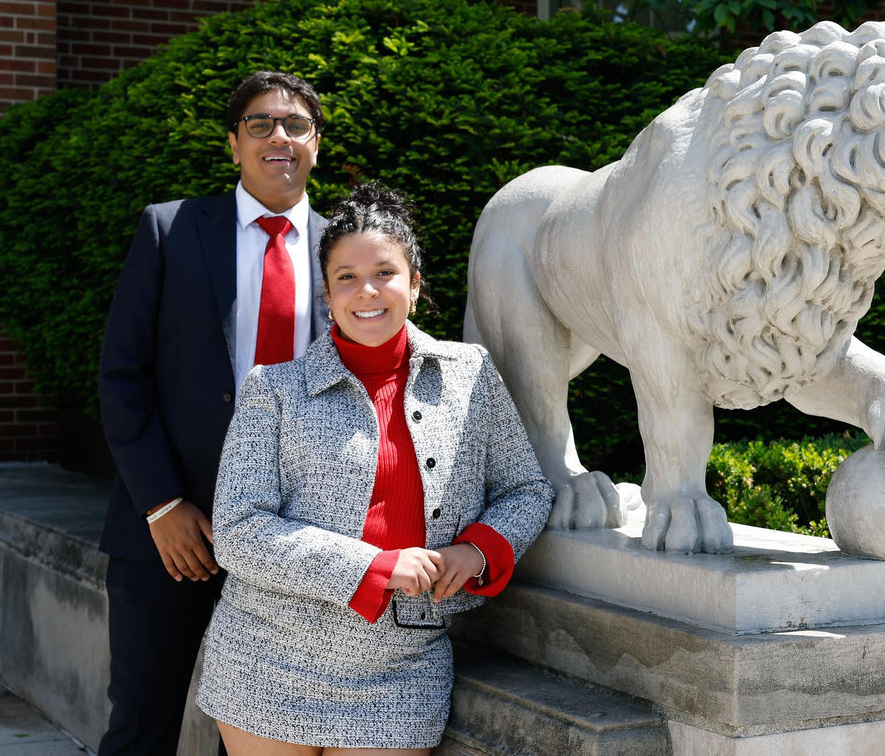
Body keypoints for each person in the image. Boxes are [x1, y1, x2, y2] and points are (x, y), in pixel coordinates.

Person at [195, 183, 555, 755]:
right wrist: (375, 564)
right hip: (265, 657)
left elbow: (526, 489)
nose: (367, 291)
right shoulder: (274, 389)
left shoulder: (471, 374)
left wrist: (478, 549)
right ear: (327, 293)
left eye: (385, 272)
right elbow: (238, 533)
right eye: (346, 276)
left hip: (401, 668)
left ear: (414, 284)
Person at [97, 71, 329, 756]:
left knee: (262, 739)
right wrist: (163, 505)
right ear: (234, 144)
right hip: (169, 536)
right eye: (260, 124)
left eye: (295, 124)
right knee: (141, 726)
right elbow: (121, 376)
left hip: (290, 538)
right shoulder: (170, 229)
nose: (278, 136)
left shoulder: (345, 251)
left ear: (316, 143)